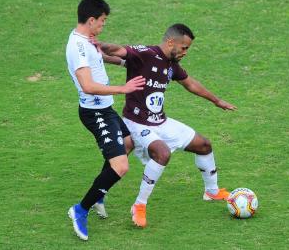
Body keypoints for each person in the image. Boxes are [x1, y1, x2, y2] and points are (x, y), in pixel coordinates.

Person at [96, 23, 236, 228]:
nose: (186, 52)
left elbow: (190, 83)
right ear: (171, 42)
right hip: (136, 122)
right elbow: (118, 51)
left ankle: (212, 191)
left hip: (160, 121)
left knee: (204, 145)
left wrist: (216, 101)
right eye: (184, 47)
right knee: (161, 153)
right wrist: (97, 45)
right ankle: (138, 205)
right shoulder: (145, 54)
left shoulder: (171, 64)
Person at [65, 0, 145, 240]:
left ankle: (99, 193)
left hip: (105, 109)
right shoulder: (77, 47)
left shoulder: (87, 41)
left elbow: (98, 59)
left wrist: (124, 62)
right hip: (95, 112)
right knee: (120, 166)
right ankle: (80, 209)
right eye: (102, 21)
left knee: (128, 142)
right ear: (91, 20)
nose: (103, 25)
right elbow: (88, 85)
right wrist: (124, 88)